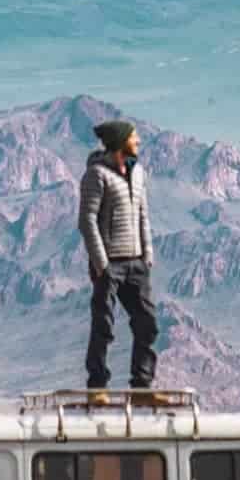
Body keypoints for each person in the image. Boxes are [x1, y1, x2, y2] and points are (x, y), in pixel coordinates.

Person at [78, 118, 158, 392]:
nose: (138, 141)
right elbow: (87, 220)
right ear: (122, 141)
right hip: (109, 265)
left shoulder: (138, 173)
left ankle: (142, 386)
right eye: (134, 137)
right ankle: (97, 386)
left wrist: (147, 254)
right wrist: (101, 263)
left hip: (137, 263)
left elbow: (143, 215)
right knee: (104, 327)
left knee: (147, 324)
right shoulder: (96, 175)